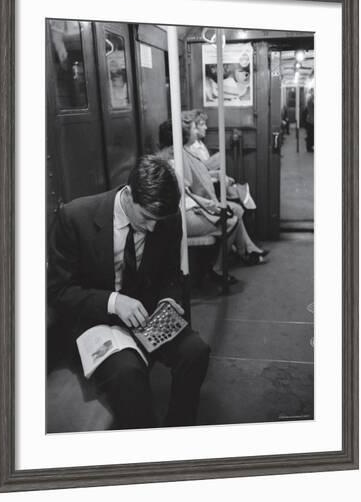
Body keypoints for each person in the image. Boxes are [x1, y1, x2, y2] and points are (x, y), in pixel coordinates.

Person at [47, 155, 210, 430]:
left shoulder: (166, 220)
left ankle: (179, 427)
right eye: (146, 217)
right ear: (129, 194)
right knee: (128, 373)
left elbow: (170, 274)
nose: (152, 228)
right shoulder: (75, 217)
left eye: (159, 220)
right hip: (99, 319)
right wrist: (113, 302)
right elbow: (59, 292)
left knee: (196, 352)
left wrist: (169, 299)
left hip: (148, 314)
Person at [158, 120, 268, 271]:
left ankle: (245, 252)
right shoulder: (165, 166)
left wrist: (203, 204)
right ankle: (219, 268)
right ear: (172, 148)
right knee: (230, 221)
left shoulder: (169, 161)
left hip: (186, 209)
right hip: (178, 218)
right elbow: (180, 196)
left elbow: (185, 192)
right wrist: (203, 204)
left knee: (230, 213)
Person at [303, 88, 314, 152]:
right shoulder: (310, 100)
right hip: (311, 121)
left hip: (309, 120)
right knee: (310, 135)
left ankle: (309, 147)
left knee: (310, 135)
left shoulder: (309, 99)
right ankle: (309, 148)